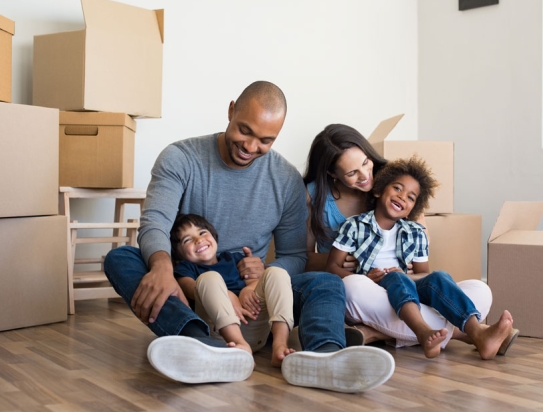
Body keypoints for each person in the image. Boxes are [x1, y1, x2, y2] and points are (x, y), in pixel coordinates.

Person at [104, 81, 395, 392]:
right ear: (231, 110)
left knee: (326, 282)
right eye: (245, 131)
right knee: (121, 258)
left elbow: (294, 255)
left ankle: (324, 356)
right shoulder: (180, 158)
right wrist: (162, 267)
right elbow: (155, 222)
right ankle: (199, 342)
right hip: (192, 290)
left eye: (265, 140)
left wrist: (261, 276)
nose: (251, 146)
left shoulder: (285, 179)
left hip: (256, 299)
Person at [303, 124, 518, 355]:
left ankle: (375, 333)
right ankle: (467, 333)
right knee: (354, 287)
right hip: (363, 289)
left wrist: (409, 273)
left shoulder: (397, 182)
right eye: (352, 173)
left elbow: (422, 267)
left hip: (407, 287)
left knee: (480, 290)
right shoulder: (336, 211)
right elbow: (305, 259)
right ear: (332, 173)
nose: (366, 176)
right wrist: (354, 265)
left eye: (365, 162)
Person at [170, 213, 295, 367]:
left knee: (276, 273)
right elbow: (190, 289)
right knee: (209, 278)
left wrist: (248, 289)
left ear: (214, 237)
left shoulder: (233, 258)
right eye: (187, 240)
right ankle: (240, 344)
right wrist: (227, 294)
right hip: (221, 333)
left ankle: (280, 345)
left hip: (254, 322)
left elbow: (255, 281)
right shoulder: (185, 268)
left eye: (202, 232)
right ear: (178, 254)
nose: (199, 240)